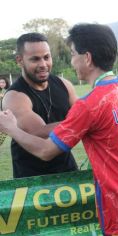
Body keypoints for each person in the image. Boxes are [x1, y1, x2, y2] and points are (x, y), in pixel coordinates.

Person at [0, 23, 118, 235]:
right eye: (35, 58)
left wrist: (10, 128)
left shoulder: (88, 102)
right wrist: (79, 122)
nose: (70, 61)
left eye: (73, 54)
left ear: (87, 58)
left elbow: (47, 149)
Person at [1, 33, 78, 178]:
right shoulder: (14, 96)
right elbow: (39, 132)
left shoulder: (65, 85)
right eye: (35, 59)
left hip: (68, 171)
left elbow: (80, 113)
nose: (43, 64)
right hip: (32, 181)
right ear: (20, 60)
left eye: (46, 57)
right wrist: (85, 121)